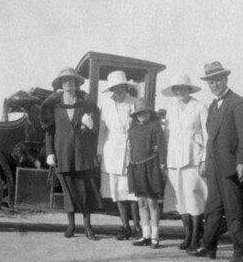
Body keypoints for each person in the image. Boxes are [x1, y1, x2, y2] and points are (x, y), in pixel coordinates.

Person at [197, 61, 243, 262]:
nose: (215, 84)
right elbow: (210, 138)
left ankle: (239, 251)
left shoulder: (238, 103)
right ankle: (209, 247)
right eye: (211, 81)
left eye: (218, 80)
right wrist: (205, 161)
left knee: (233, 209)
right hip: (213, 167)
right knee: (212, 208)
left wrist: (241, 162)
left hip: (230, 167)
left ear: (226, 79)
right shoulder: (212, 106)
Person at [40, 66, 103, 239]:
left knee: (85, 191)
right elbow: (49, 131)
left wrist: (90, 125)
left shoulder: (86, 104)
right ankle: (71, 226)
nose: (69, 83)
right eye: (65, 80)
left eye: (72, 80)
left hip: (83, 154)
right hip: (62, 153)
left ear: (76, 83)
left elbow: (94, 130)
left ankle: (88, 227)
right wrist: (50, 152)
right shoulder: (54, 106)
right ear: (61, 84)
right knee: (69, 192)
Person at [161, 73, 208, 253]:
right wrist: (165, 161)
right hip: (174, 159)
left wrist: (204, 159)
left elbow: (207, 135)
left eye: (182, 88)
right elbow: (167, 136)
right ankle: (188, 234)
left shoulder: (200, 107)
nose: (179, 91)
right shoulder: (172, 110)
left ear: (189, 89)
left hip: (193, 158)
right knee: (180, 199)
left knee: (194, 197)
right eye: (176, 88)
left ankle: (197, 235)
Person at [98, 70, 142, 240]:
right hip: (112, 149)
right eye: (115, 87)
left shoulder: (134, 102)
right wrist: (99, 152)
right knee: (117, 191)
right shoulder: (106, 104)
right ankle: (125, 226)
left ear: (126, 86)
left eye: (121, 86)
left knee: (132, 192)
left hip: (131, 148)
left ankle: (138, 226)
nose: (119, 89)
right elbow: (102, 130)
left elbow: (139, 127)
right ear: (111, 89)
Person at [127, 100, 168, 249]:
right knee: (141, 202)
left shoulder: (155, 127)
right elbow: (130, 148)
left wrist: (162, 163)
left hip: (151, 167)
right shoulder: (133, 128)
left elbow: (162, 146)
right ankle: (146, 235)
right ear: (136, 115)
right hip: (136, 167)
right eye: (139, 113)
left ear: (149, 113)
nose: (142, 115)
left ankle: (155, 236)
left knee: (152, 202)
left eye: (144, 112)